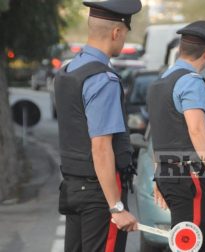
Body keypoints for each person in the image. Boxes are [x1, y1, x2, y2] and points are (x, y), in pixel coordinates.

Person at [54, 0, 142, 251]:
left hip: (72, 186)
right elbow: (101, 148)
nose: (123, 40)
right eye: (124, 34)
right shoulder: (102, 78)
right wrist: (117, 207)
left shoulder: (68, 70)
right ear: (117, 32)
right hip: (99, 195)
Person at [147, 21, 205, 252]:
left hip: (167, 172)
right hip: (188, 174)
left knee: (186, 240)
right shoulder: (191, 82)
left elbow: (158, 133)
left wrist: (157, 175)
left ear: (181, 50)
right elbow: (197, 130)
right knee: (193, 243)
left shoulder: (159, 83)